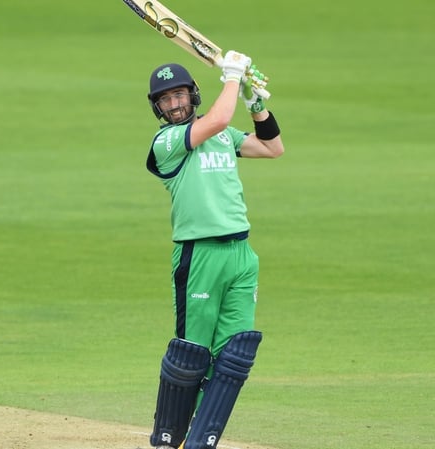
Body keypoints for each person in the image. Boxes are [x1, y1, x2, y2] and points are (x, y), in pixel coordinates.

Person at [144, 52, 285, 449]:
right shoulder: (166, 142)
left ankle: (200, 442)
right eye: (166, 99)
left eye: (180, 95)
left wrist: (257, 105)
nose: (174, 105)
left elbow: (272, 148)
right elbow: (219, 119)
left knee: (234, 355)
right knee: (192, 355)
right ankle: (169, 438)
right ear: (157, 107)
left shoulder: (222, 135)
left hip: (240, 253)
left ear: (193, 94)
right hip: (199, 255)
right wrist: (233, 77)